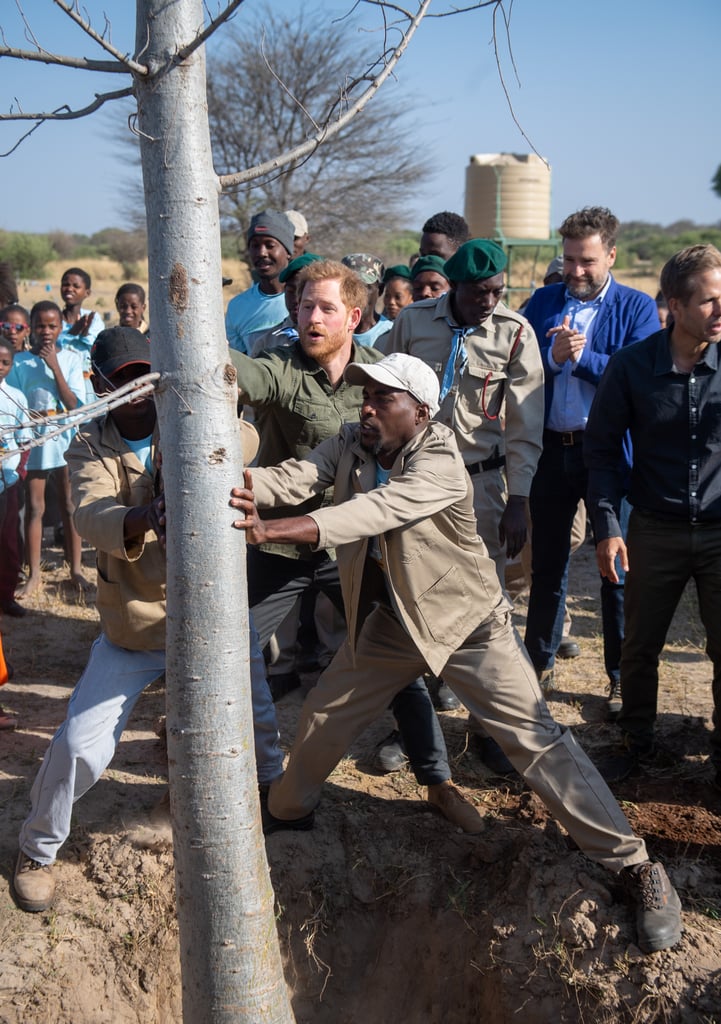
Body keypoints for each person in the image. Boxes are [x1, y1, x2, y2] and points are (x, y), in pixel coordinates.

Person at [229, 351, 683, 956]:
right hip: (392, 622)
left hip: (467, 626)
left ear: (419, 412)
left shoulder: (441, 458)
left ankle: (635, 867)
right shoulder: (350, 442)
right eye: (365, 395)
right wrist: (230, 477)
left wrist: (281, 530)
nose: (366, 407)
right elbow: (297, 477)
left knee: (537, 741)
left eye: (382, 399)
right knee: (323, 715)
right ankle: (287, 812)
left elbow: (374, 512)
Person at [12, 326, 284, 914]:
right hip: (134, 625)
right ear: (98, 384)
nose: (137, 389)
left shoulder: (185, 415)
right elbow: (88, 516)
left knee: (259, 732)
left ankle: (267, 828)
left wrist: (205, 432)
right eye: (123, 379)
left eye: (146, 375)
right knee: (80, 748)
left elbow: (243, 441)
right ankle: (37, 849)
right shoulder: (88, 442)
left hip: (213, 617)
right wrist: (147, 513)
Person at [229, 260, 481, 832]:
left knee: (395, 661)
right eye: (302, 306)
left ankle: (438, 781)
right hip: (281, 545)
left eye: (324, 308)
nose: (310, 318)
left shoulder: (381, 376)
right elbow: (247, 377)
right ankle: (256, 772)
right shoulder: (283, 366)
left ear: (354, 317)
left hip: (358, 550)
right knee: (233, 645)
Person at [585, 244, 721, 783]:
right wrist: (607, 527)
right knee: (639, 648)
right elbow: (600, 452)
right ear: (674, 305)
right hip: (654, 529)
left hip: (719, 531)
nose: (720, 311)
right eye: (710, 301)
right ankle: (635, 741)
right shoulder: (632, 367)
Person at [522, 207, 660, 709]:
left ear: (611, 256)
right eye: (570, 260)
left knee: (615, 567)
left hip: (610, 457)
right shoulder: (541, 301)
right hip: (551, 452)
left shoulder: (637, 307)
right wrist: (547, 356)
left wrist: (582, 361)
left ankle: (621, 674)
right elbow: (517, 365)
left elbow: (642, 380)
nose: (576, 271)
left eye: (587, 261)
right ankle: (537, 665)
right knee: (547, 566)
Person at [9, 301, 86, 597]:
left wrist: (54, 367)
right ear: (31, 326)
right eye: (40, 325)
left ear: (61, 328)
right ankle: (34, 574)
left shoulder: (71, 358)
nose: (46, 331)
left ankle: (76, 569)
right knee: (36, 508)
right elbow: (17, 405)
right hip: (35, 441)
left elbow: (74, 405)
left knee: (70, 505)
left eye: (53, 326)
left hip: (65, 439)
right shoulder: (19, 363)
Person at [225, 210, 294, 355]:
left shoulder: (307, 299)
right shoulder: (237, 307)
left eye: (270, 245)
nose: (261, 253)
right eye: (255, 246)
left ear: (288, 251)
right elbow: (240, 365)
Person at [0, 332, 30, 617]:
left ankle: (6, 595)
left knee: (8, 540)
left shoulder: (17, 397)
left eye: (5, 362)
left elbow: (26, 440)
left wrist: (19, 472)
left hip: (7, 482)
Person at [59, 266, 103, 403]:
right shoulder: (54, 320)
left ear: (87, 292)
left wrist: (83, 335)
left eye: (76, 286)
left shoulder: (93, 318)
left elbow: (95, 344)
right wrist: (72, 333)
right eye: (66, 285)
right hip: (61, 382)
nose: (69, 289)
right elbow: (52, 346)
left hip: (87, 385)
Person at [341, 254, 392, 349]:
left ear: (380, 290)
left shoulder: (390, 333)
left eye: (365, 287)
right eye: (351, 287)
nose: (358, 294)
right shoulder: (332, 329)